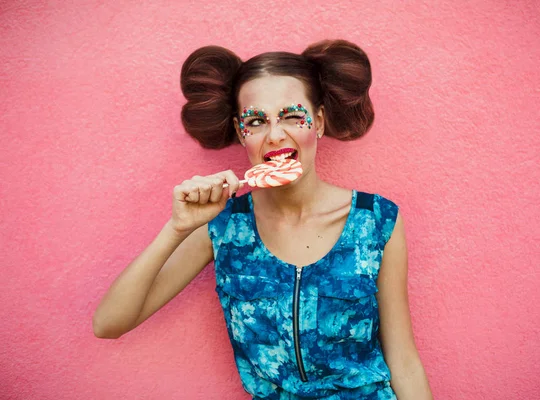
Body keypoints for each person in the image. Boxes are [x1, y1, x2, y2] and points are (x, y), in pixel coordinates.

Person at [93, 39, 433, 399]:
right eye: (257, 121)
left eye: (291, 116)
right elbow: (109, 324)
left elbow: (404, 361)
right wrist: (176, 229)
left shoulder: (376, 220)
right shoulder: (223, 226)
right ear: (242, 133)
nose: (275, 135)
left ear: (317, 122)